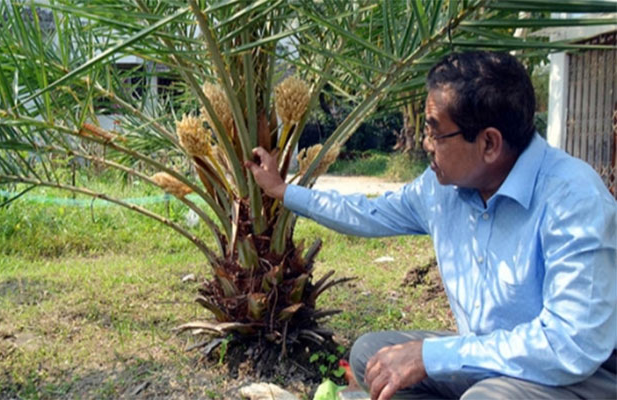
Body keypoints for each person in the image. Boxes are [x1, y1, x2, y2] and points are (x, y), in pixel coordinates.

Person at [245, 51, 617, 400]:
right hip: (490, 361)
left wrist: (433, 356)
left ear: (489, 143)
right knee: (371, 357)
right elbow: (368, 212)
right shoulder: (442, 190)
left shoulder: (573, 200)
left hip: (581, 376)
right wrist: (283, 191)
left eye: (436, 133)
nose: (425, 144)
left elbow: (569, 345)